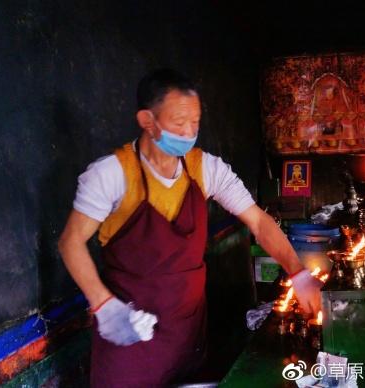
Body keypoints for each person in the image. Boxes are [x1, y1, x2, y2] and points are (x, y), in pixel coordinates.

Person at [57, 69, 322, 387]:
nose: (188, 132)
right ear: (147, 120)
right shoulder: (112, 174)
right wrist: (104, 306)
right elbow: (71, 242)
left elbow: (258, 221)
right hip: (130, 334)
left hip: (187, 334)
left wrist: (297, 272)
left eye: (195, 123)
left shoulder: (206, 169)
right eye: (178, 122)